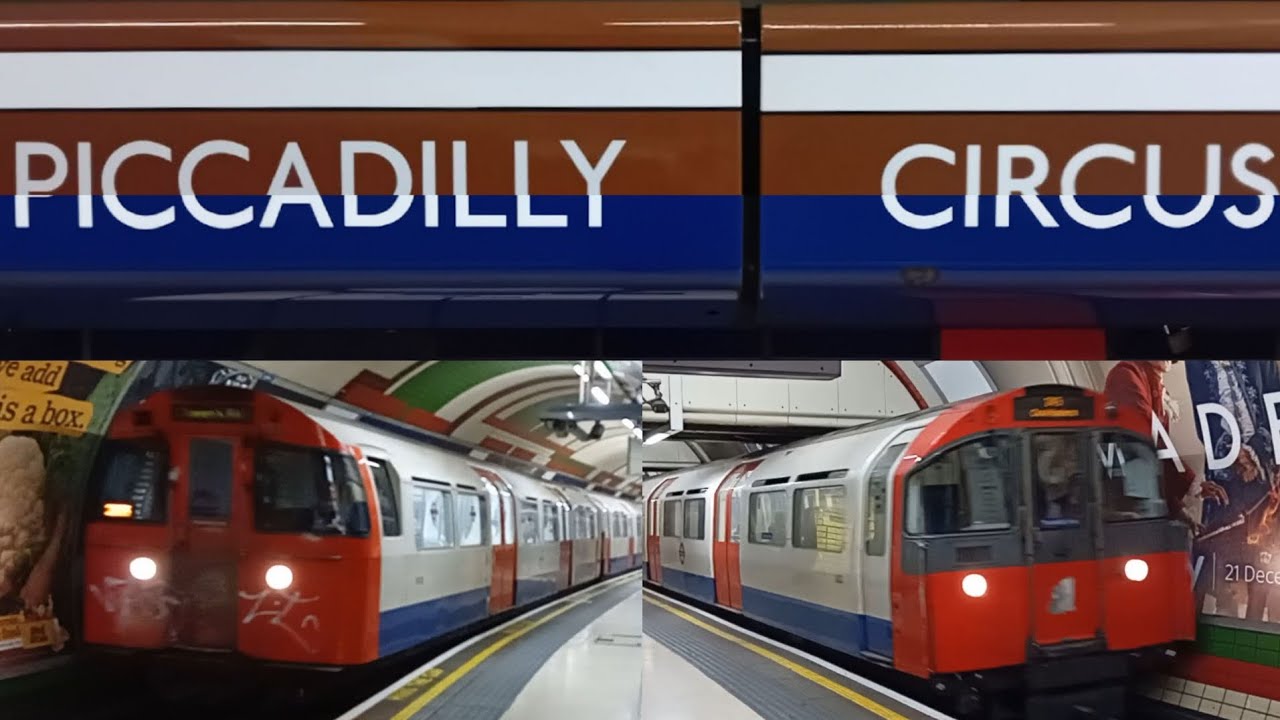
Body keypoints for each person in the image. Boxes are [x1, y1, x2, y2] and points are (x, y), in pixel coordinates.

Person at [1184, 360, 1280, 621]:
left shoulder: (1259, 350)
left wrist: (1258, 452)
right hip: (1225, 475)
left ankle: (1254, 632)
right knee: (1214, 557)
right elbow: (1202, 415)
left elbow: (1276, 402)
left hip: (1265, 473)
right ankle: (1195, 631)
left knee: (1263, 563)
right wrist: (1230, 452)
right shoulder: (1195, 361)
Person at [1104, 361, 1224, 529]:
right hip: (1124, 509)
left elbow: (1156, 467)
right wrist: (1192, 483)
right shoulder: (1125, 375)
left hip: (1140, 505)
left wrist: (1179, 512)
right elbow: (1149, 441)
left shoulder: (1155, 387)